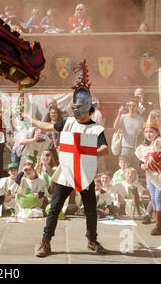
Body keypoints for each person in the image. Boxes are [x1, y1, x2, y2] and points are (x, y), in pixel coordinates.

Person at [28, 61, 109, 256]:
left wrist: (89, 152)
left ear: (87, 108)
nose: (75, 109)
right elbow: (48, 126)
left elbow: (105, 149)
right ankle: (45, 242)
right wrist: (30, 119)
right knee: (54, 207)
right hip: (66, 170)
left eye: (78, 106)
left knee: (90, 209)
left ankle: (92, 240)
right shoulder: (68, 122)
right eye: (74, 106)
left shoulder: (96, 128)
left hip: (85, 171)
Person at [113, 98, 145, 170]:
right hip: (125, 147)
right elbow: (115, 127)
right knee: (124, 169)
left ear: (137, 107)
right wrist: (119, 113)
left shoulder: (141, 119)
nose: (131, 107)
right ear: (127, 106)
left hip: (136, 148)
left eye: (133, 106)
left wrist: (141, 132)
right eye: (129, 105)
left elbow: (146, 133)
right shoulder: (123, 116)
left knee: (135, 169)